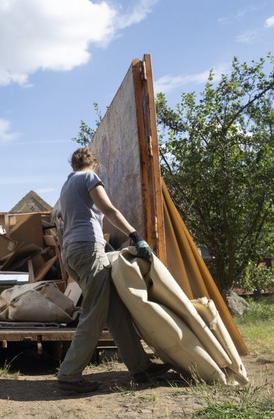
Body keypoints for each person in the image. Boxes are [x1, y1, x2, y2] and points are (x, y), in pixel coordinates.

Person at [56, 147, 171, 393]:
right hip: (87, 249)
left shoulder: (67, 185)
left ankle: (141, 368)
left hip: (72, 252)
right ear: (95, 164)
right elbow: (108, 209)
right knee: (94, 313)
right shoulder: (88, 178)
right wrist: (135, 236)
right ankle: (69, 374)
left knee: (115, 311)